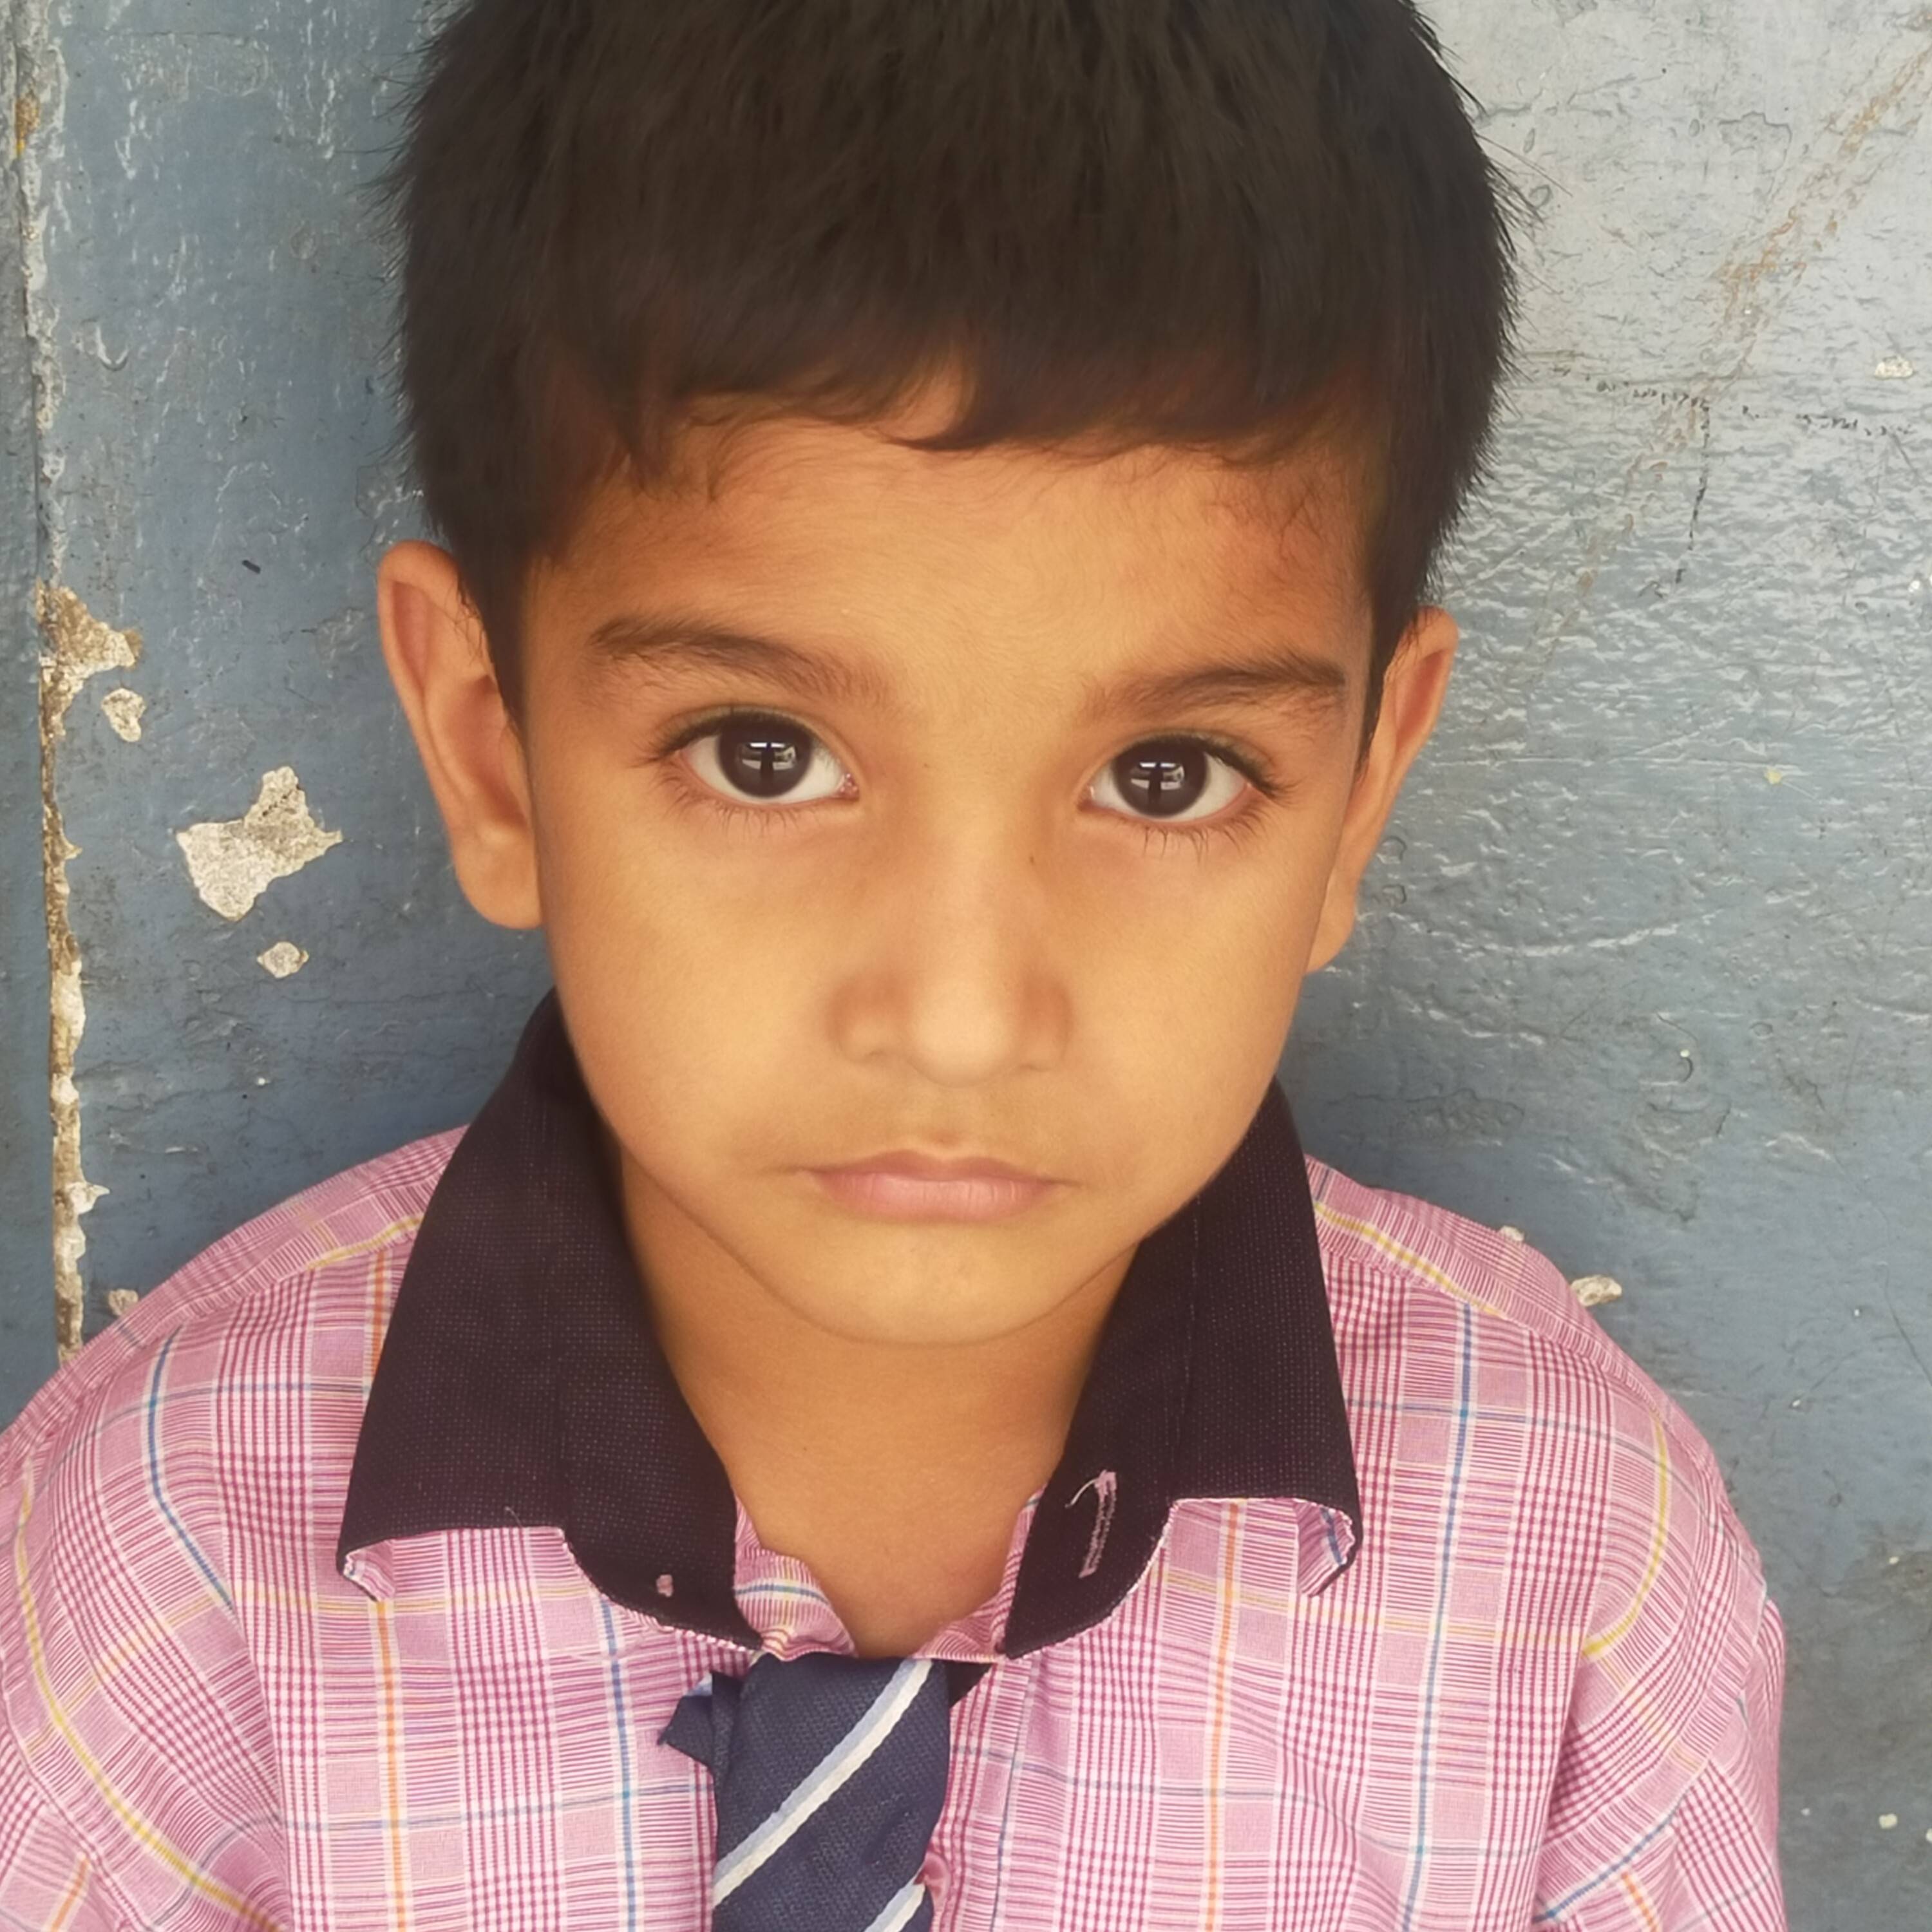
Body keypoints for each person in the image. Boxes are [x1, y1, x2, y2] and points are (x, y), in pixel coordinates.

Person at [0, 0, 1785, 1926]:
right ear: (489, 744)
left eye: (1166, 776)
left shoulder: (1571, 1561)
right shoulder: (164, 1562)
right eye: (765, 756)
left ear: (1360, 793)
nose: (957, 1015)